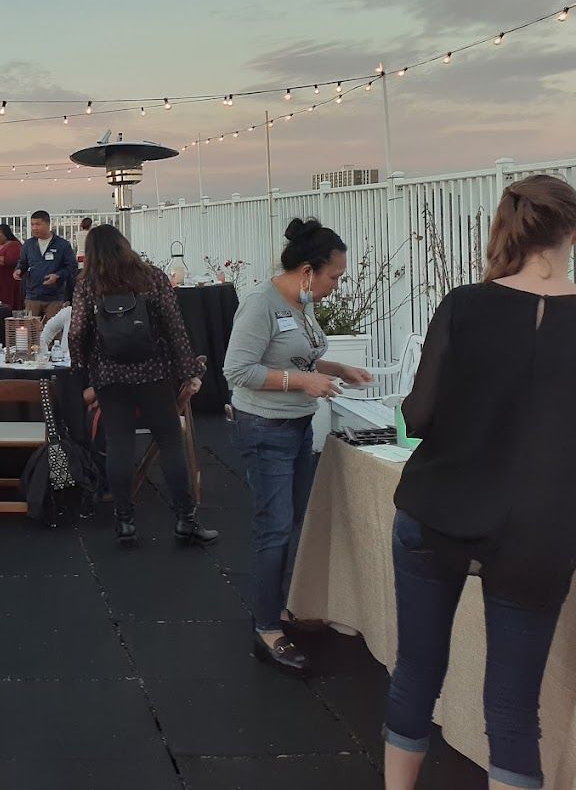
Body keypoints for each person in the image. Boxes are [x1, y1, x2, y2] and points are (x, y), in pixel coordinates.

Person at [383, 175, 576, 790]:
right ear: (571, 233)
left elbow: (418, 416)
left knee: (416, 674)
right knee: (514, 712)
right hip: (540, 531)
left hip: (437, 508)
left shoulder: (464, 304)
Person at [223, 218, 373, 675]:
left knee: (289, 524)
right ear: (308, 271)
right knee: (274, 529)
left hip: (296, 426)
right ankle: (267, 627)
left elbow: (295, 355)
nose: (336, 286)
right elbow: (238, 370)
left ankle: (277, 608)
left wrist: (337, 369)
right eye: (335, 276)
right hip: (264, 428)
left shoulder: (300, 303)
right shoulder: (260, 304)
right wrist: (303, 382)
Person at [68, 224, 216, 547]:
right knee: (170, 443)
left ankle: (124, 522)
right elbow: (175, 327)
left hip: (109, 375)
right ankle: (186, 519)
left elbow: (77, 331)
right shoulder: (152, 278)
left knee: (119, 444)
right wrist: (189, 370)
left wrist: (82, 368)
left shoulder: (88, 284)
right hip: (154, 372)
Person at [15, 210, 77, 321]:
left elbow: (72, 267)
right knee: (30, 328)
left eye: (38, 224)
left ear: (48, 224)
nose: (34, 228)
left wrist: (58, 275)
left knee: (52, 329)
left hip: (54, 297)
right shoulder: (28, 245)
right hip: (33, 296)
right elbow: (23, 263)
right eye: (32, 224)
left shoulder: (62, 245)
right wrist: (19, 269)